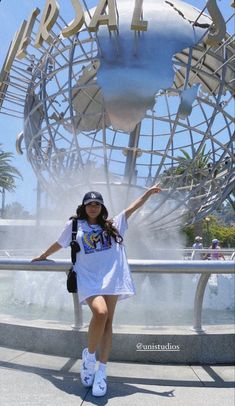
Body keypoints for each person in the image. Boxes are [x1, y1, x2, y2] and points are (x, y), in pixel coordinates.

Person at [32, 185, 161, 397]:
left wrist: (147, 194)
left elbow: (131, 209)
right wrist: (43, 255)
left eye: (97, 204)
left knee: (109, 322)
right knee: (100, 313)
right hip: (88, 279)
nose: (93, 207)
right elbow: (60, 243)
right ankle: (89, 357)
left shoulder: (113, 225)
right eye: (89, 204)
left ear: (102, 207)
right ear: (84, 207)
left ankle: (102, 371)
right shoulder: (75, 225)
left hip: (112, 277)